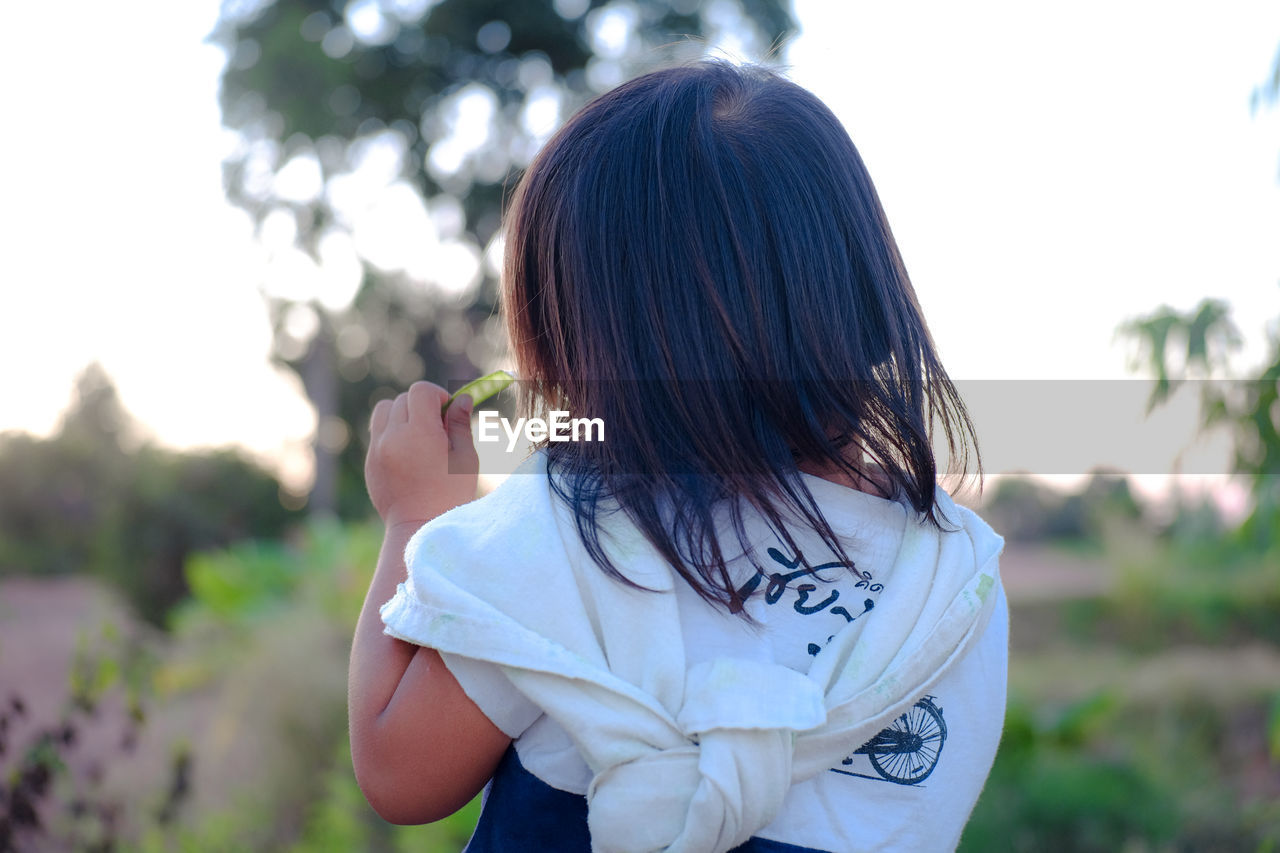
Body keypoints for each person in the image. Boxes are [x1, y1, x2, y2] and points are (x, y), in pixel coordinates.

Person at [348, 60, 1007, 853]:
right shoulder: (953, 573)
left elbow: (399, 770)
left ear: (581, 339)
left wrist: (415, 514)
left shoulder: (569, 529)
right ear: (862, 293)